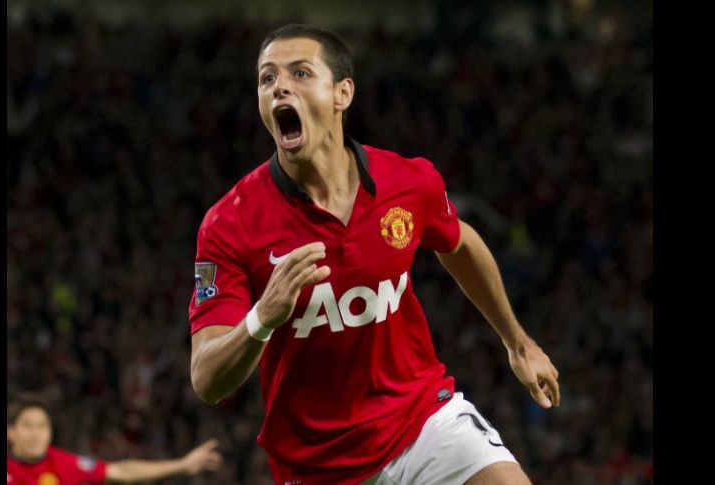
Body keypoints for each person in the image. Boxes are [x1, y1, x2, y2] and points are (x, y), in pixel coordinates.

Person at [188, 24, 560, 485]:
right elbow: (207, 379)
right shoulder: (229, 223)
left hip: (421, 422)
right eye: (267, 78)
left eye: (300, 72)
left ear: (342, 93)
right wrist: (262, 318)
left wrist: (517, 342)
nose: (279, 86)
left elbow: (459, 243)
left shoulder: (408, 182)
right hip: (317, 466)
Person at [6, 392, 222, 484]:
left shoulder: (62, 464)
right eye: (28, 426)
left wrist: (182, 465)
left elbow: (121, 471)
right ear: (11, 432)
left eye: (42, 427)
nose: (36, 434)